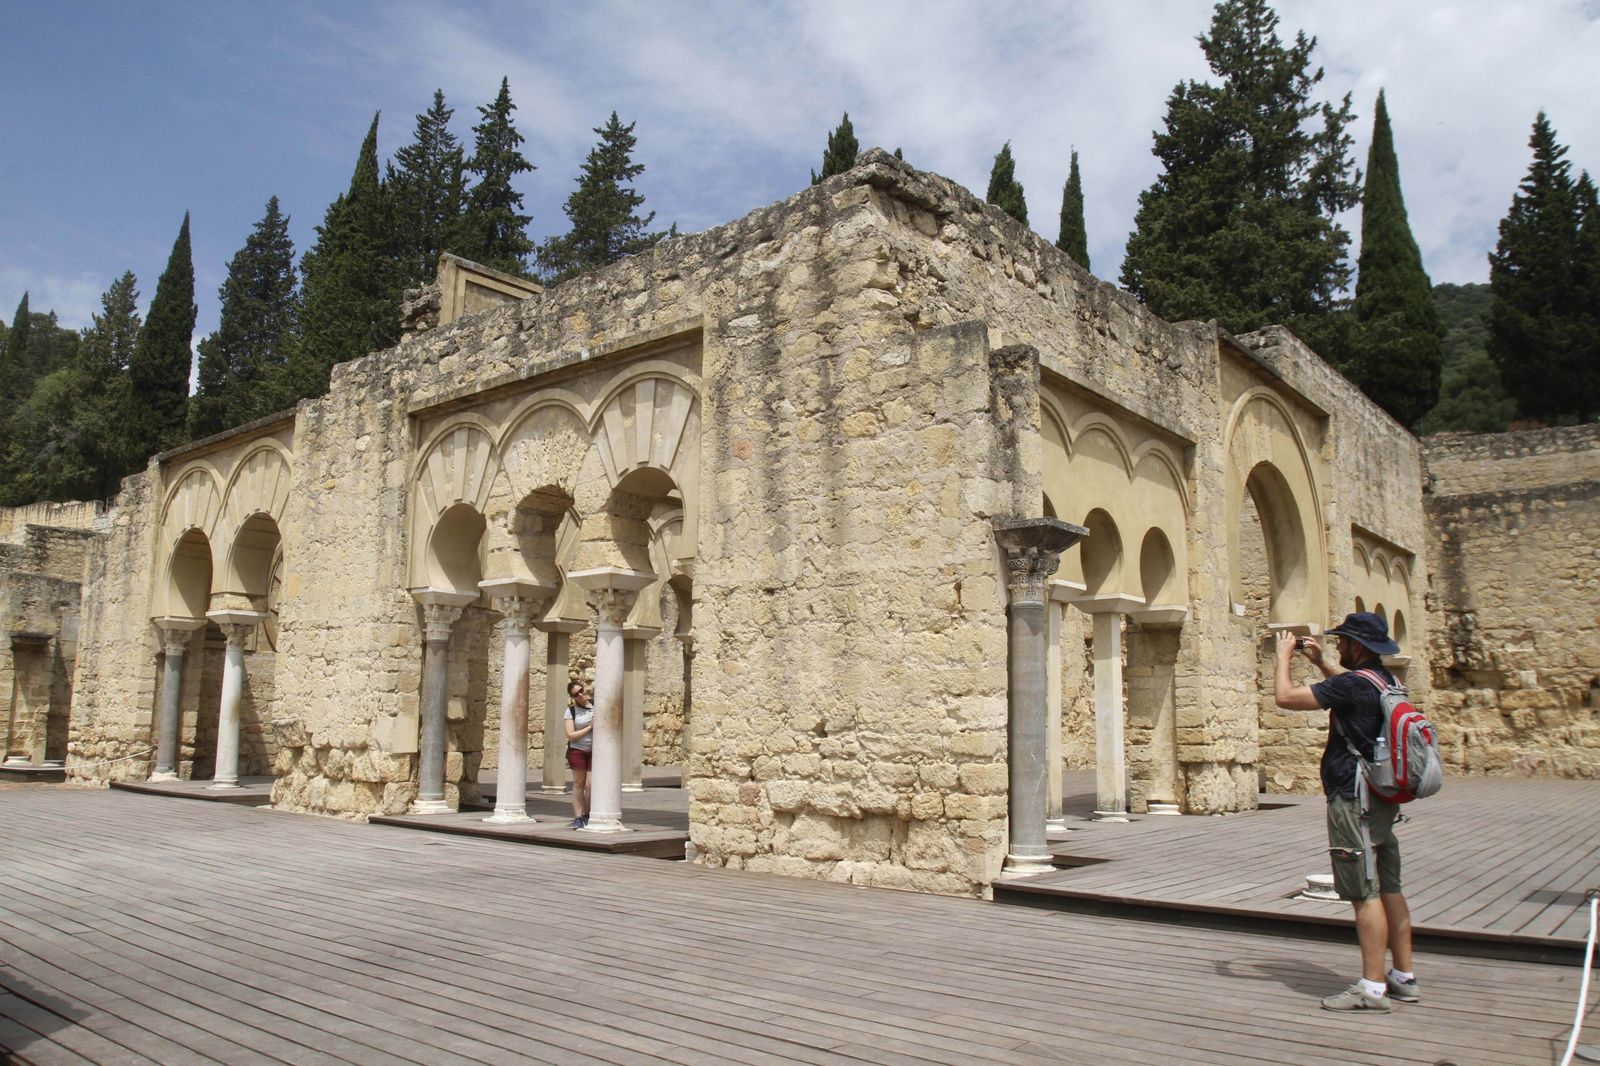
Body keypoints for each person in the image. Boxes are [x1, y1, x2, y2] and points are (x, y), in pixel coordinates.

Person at [1274, 611, 1417, 1014]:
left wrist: (1283, 656)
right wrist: (1320, 661)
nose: (1338, 647)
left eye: (1342, 643)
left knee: (1361, 891)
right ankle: (1403, 976)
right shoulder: (1387, 681)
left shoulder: (1353, 685)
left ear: (1358, 646)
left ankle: (1371, 987)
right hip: (1384, 795)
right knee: (1390, 885)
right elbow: (1349, 685)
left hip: (1352, 797)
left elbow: (1285, 698)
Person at [564, 679, 594, 829]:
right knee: (578, 784)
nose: (581, 695)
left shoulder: (596, 706)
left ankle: (588, 814)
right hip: (577, 751)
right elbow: (570, 735)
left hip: (594, 750)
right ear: (573, 697)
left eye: (581, 691)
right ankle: (578, 816)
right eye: (576, 694)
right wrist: (589, 728)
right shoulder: (571, 711)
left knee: (590, 785)